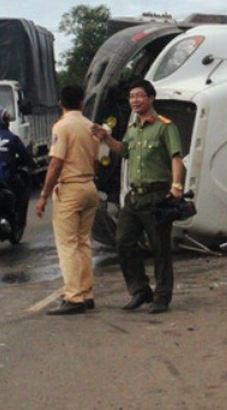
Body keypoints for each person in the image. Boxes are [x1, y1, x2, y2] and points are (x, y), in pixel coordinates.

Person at [92, 79, 184, 314]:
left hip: (157, 196)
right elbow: (123, 151)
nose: (134, 100)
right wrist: (105, 138)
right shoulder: (132, 129)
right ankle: (140, 290)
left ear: (151, 98)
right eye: (132, 96)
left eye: (139, 96)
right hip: (135, 197)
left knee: (160, 248)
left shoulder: (164, 127)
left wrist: (176, 186)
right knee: (123, 241)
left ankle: (162, 296)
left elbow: (176, 157)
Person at [36, 84, 100, 316]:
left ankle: (73, 297)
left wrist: (44, 195)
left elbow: (56, 163)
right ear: (82, 103)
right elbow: (96, 160)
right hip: (89, 185)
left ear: (60, 103)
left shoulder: (61, 127)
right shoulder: (91, 126)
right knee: (83, 242)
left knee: (68, 245)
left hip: (70, 188)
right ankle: (86, 293)